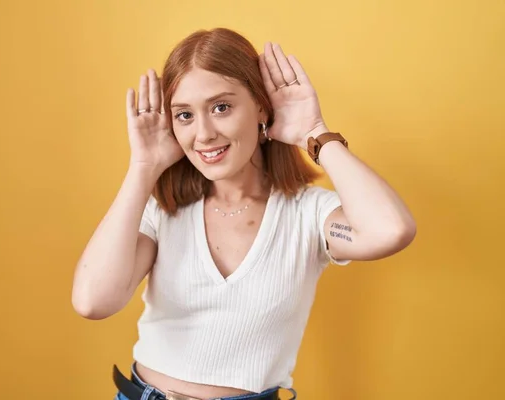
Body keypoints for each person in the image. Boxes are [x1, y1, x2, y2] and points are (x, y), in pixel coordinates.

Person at [71, 27, 417, 400]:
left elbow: (391, 231)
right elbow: (93, 301)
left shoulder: (307, 215)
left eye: (221, 107)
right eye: (185, 115)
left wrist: (314, 133)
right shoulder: (163, 212)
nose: (203, 134)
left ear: (261, 108)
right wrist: (143, 167)